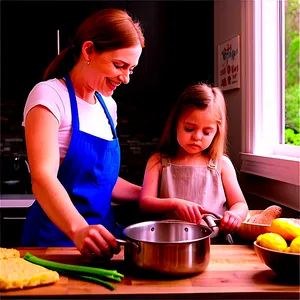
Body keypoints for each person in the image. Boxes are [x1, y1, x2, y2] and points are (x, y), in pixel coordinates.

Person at [21, 8, 145, 259]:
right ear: (88, 50)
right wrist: (78, 229)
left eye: (131, 69)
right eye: (120, 65)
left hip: (104, 242)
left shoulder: (108, 106)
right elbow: (42, 179)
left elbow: (100, 180)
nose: (126, 78)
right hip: (53, 242)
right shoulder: (49, 96)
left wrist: (153, 196)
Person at [139, 83, 249, 241]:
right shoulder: (158, 162)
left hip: (215, 243)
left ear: (217, 131)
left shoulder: (221, 164)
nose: (197, 137)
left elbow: (240, 204)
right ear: (176, 124)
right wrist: (175, 204)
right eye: (189, 129)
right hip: (169, 243)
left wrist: (234, 215)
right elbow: (145, 203)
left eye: (206, 132)